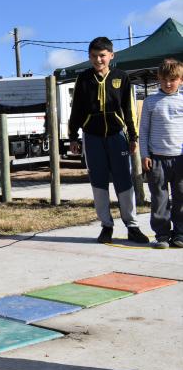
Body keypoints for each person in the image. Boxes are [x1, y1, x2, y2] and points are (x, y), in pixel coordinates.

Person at [68, 37, 149, 244]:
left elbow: (129, 109)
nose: (98, 60)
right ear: (89, 57)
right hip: (92, 137)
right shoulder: (83, 78)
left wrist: (133, 136)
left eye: (102, 55)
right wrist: (73, 137)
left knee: (124, 181)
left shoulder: (121, 77)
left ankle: (132, 226)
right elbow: (76, 108)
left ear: (111, 56)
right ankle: (106, 226)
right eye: (94, 56)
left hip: (117, 136)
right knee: (99, 182)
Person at [138, 58, 183, 249]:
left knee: (181, 197)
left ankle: (180, 234)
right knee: (159, 199)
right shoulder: (150, 101)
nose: (168, 83)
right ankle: (162, 235)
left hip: (180, 158)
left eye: (173, 79)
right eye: (164, 79)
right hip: (156, 159)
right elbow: (144, 130)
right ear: (158, 79)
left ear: (181, 80)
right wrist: (144, 154)